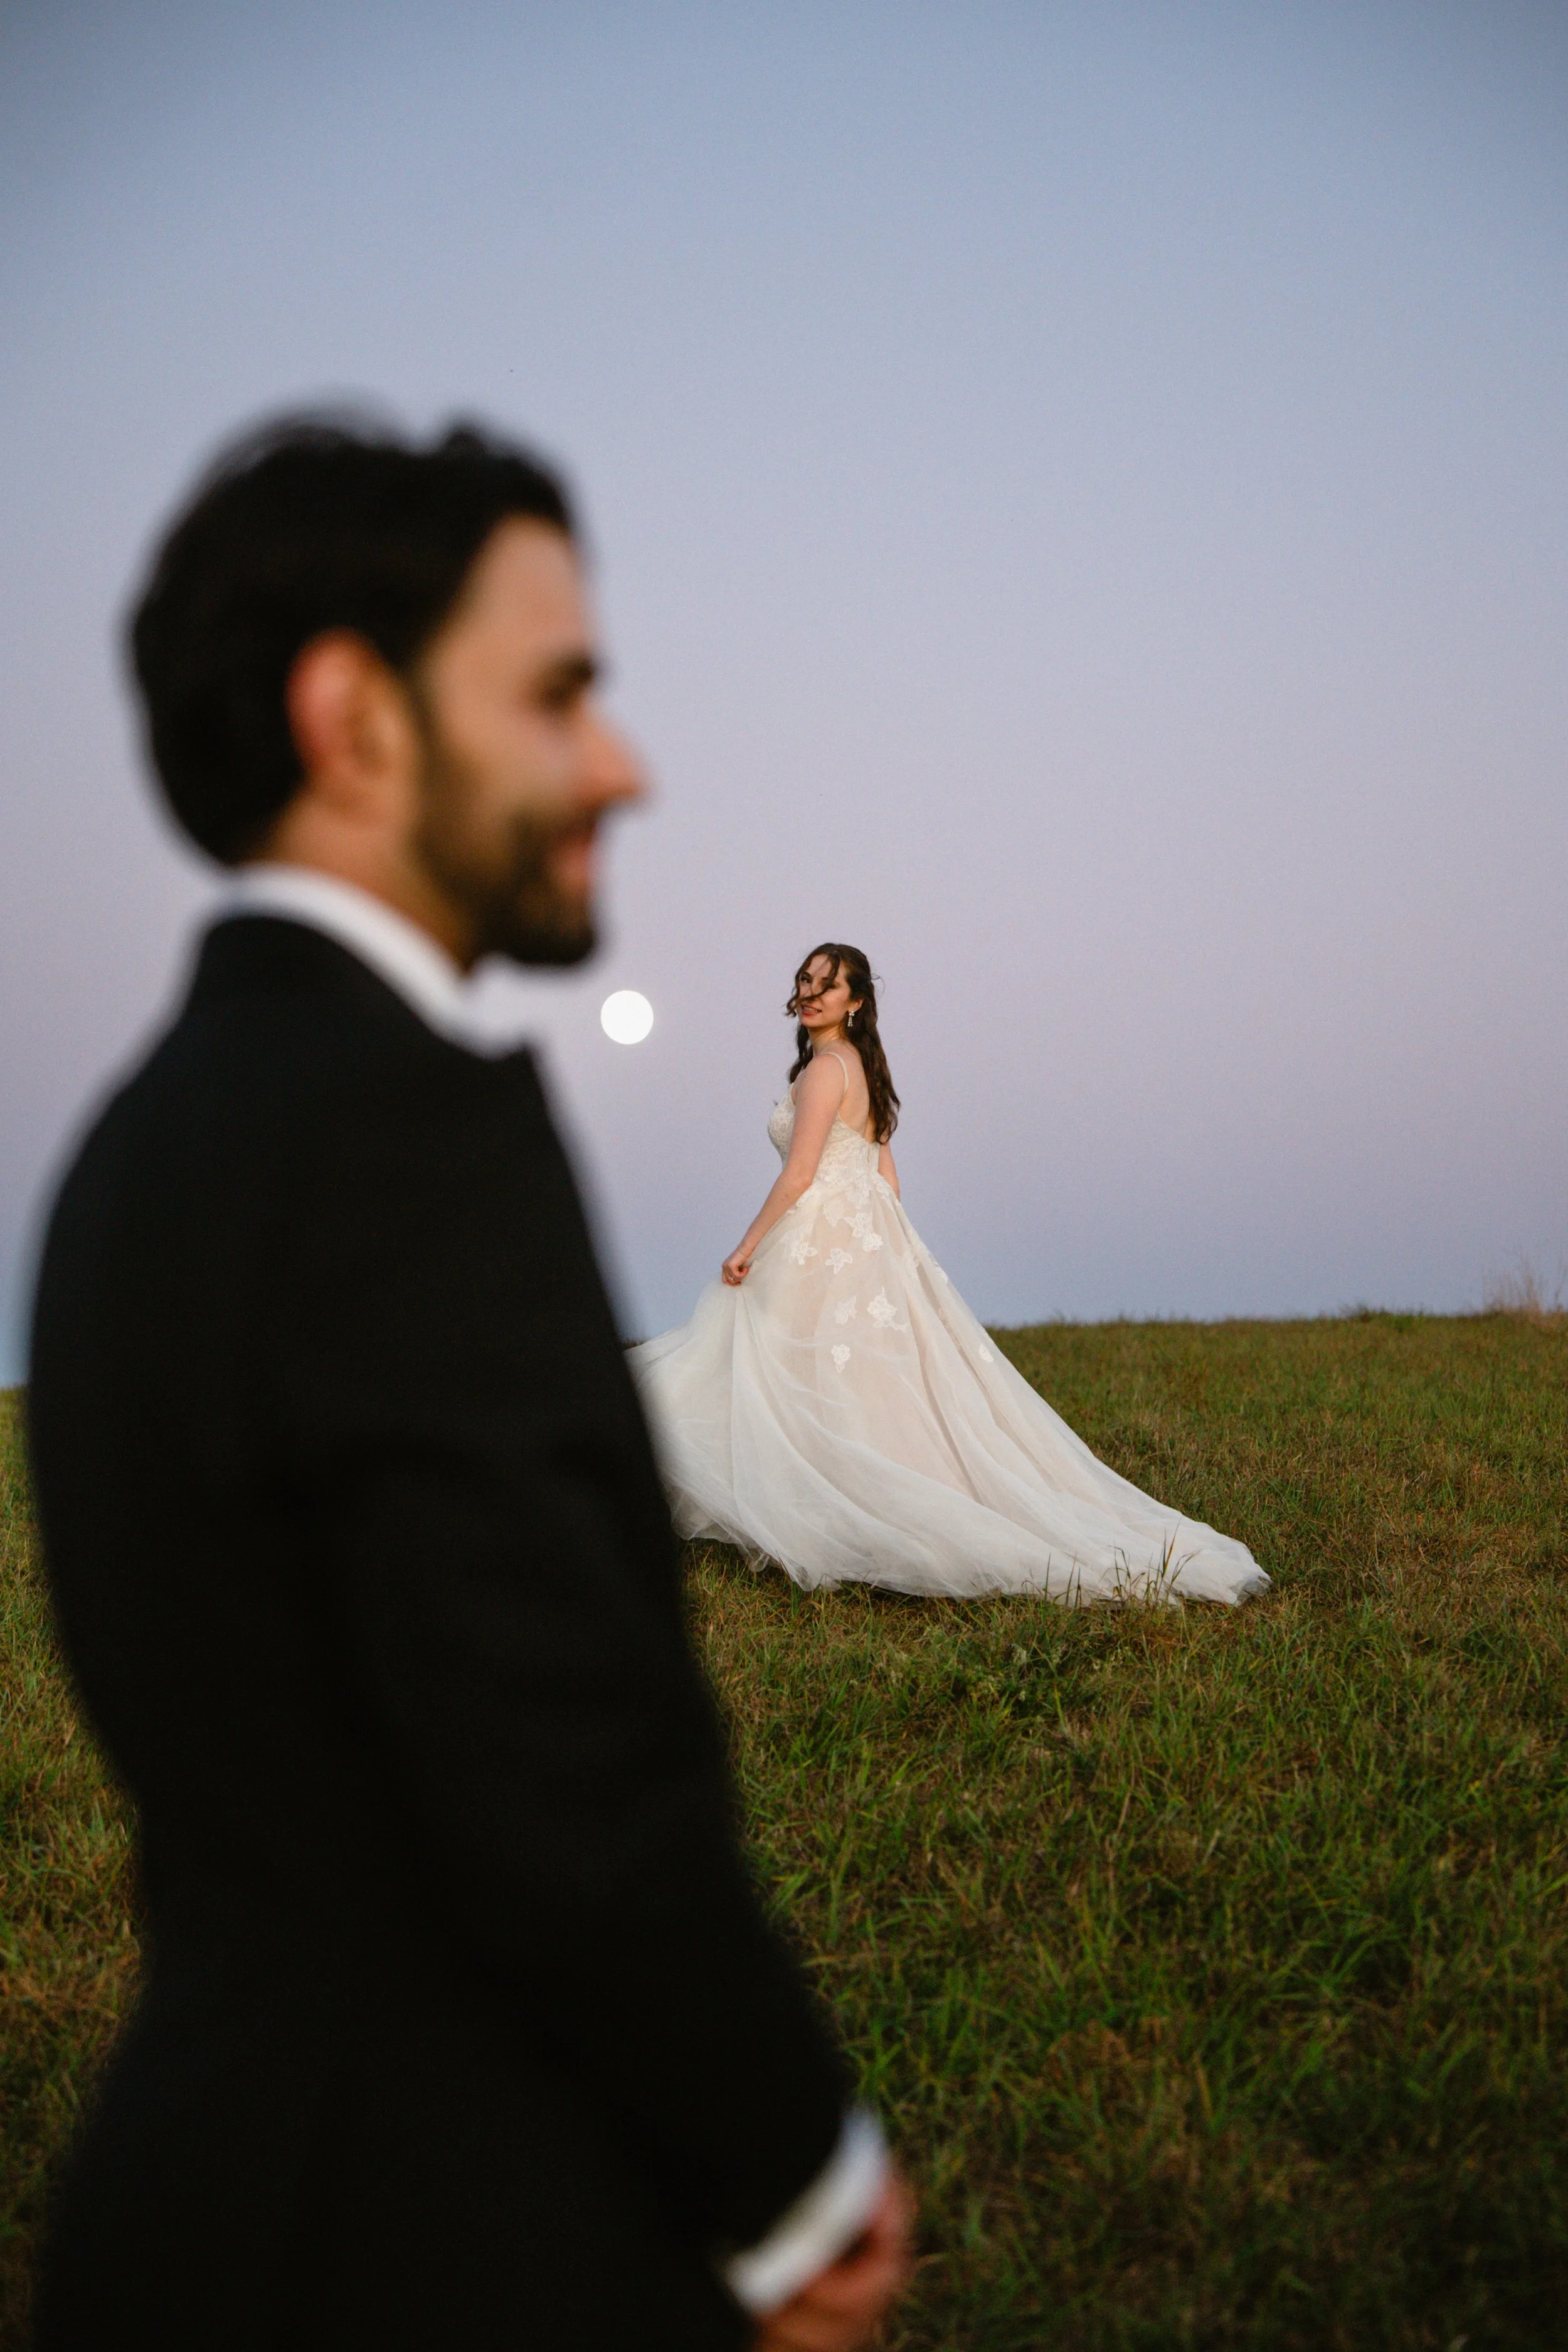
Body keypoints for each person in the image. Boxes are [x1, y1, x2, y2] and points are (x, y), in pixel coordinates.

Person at [26, 421, 911, 2351]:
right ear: (356, 718)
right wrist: (790, 2178)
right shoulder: (408, 1141)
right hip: (444, 2247)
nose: (622, 761)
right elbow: (567, 1768)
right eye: (558, 690)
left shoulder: (132, 1152)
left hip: (189, 2210)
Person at [632, 945, 1270, 1606]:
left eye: (830, 985)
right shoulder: (863, 1068)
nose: (813, 992)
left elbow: (800, 1173)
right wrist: (878, 1252)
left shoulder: (824, 1070)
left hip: (817, 1237)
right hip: (857, 1236)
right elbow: (886, 1174)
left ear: (855, 1002)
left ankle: (826, 1511)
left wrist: (748, 1245)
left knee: (769, 1372)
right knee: (842, 1383)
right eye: (806, 980)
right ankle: (829, 1501)